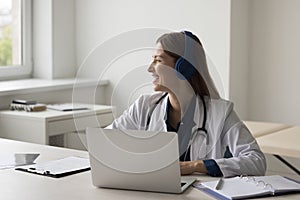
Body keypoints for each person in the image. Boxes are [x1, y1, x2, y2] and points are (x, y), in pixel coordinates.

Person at [109, 31, 266, 177]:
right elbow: (106, 142)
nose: (150, 68)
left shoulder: (221, 113)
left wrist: (196, 166)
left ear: (182, 68)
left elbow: (256, 161)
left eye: (158, 60)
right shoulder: (144, 107)